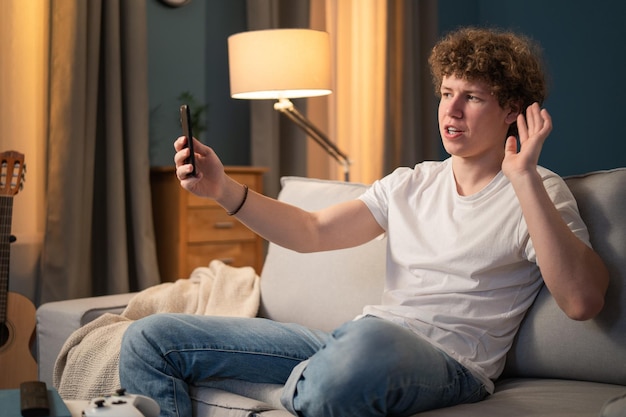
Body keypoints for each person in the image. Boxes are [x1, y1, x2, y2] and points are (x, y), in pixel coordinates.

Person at [119, 27, 609, 417]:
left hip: (447, 364)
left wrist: (521, 177)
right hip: (358, 340)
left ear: (512, 111)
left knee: (365, 349)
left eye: (473, 98)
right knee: (149, 339)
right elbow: (312, 232)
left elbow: (583, 300)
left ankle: (284, 394)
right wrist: (222, 191)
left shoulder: (540, 190)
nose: (451, 111)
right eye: (445, 93)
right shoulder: (411, 183)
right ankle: (309, 385)